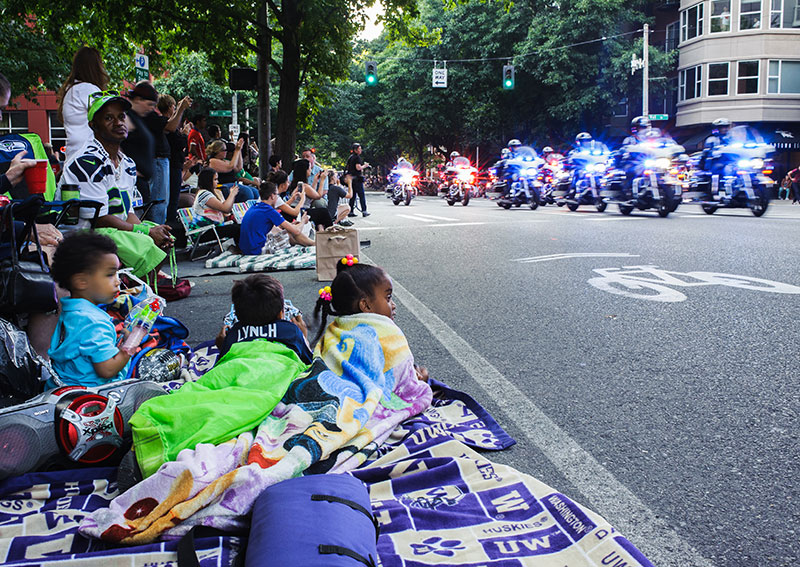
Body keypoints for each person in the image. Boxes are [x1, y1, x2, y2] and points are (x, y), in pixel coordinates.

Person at [59, 92, 173, 284]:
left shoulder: (127, 164)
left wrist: (149, 230)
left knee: (164, 237)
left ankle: (139, 293)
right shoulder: (87, 162)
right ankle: (132, 295)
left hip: (111, 230)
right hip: (85, 233)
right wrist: (144, 233)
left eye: (121, 117)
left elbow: (128, 213)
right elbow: (100, 219)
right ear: (93, 125)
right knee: (146, 241)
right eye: (109, 118)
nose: (119, 122)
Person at [311, 260, 428, 383]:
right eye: (388, 298)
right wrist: (420, 379)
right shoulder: (387, 335)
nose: (393, 305)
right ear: (365, 305)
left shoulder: (333, 331)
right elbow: (402, 384)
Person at [47, 231, 131, 387]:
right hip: (92, 394)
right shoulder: (93, 322)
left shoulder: (73, 312)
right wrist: (129, 346)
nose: (118, 281)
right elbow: (107, 369)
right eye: (110, 274)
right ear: (81, 282)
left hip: (62, 388)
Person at [215, 274, 311, 361]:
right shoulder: (291, 331)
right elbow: (309, 363)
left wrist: (223, 346)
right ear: (280, 314)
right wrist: (303, 337)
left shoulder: (233, 334)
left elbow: (225, 362)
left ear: (236, 315)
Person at [57, 47, 110, 161]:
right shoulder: (89, 89)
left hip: (73, 153)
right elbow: (107, 119)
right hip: (89, 154)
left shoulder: (70, 91)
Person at [239, 181, 314, 255]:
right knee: (291, 233)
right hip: (257, 250)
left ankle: (310, 243)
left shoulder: (255, 207)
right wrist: (303, 221)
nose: (278, 197)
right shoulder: (269, 211)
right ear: (272, 196)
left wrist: (291, 225)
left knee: (286, 231)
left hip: (247, 249)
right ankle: (313, 244)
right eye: (277, 195)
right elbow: (296, 231)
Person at [157, 94, 191, 222]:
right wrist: (185, 134)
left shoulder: (167, 125)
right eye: (174, 107)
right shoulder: (166, 125)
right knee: (172, 199)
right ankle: (170, 224)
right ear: (171, 107)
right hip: (172, 166)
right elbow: (179, 143)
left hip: (172, 164)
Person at [346, 143, 370, 217]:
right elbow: (358, 168)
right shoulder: (357, 158)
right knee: (361, 195)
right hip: (357, 179)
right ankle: (364, 210)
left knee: (352, 196)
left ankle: (350, 211)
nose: (361, 150)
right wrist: (365, 166)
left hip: (351, 178)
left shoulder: (350, 157)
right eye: (359, 149)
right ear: (355, 150)